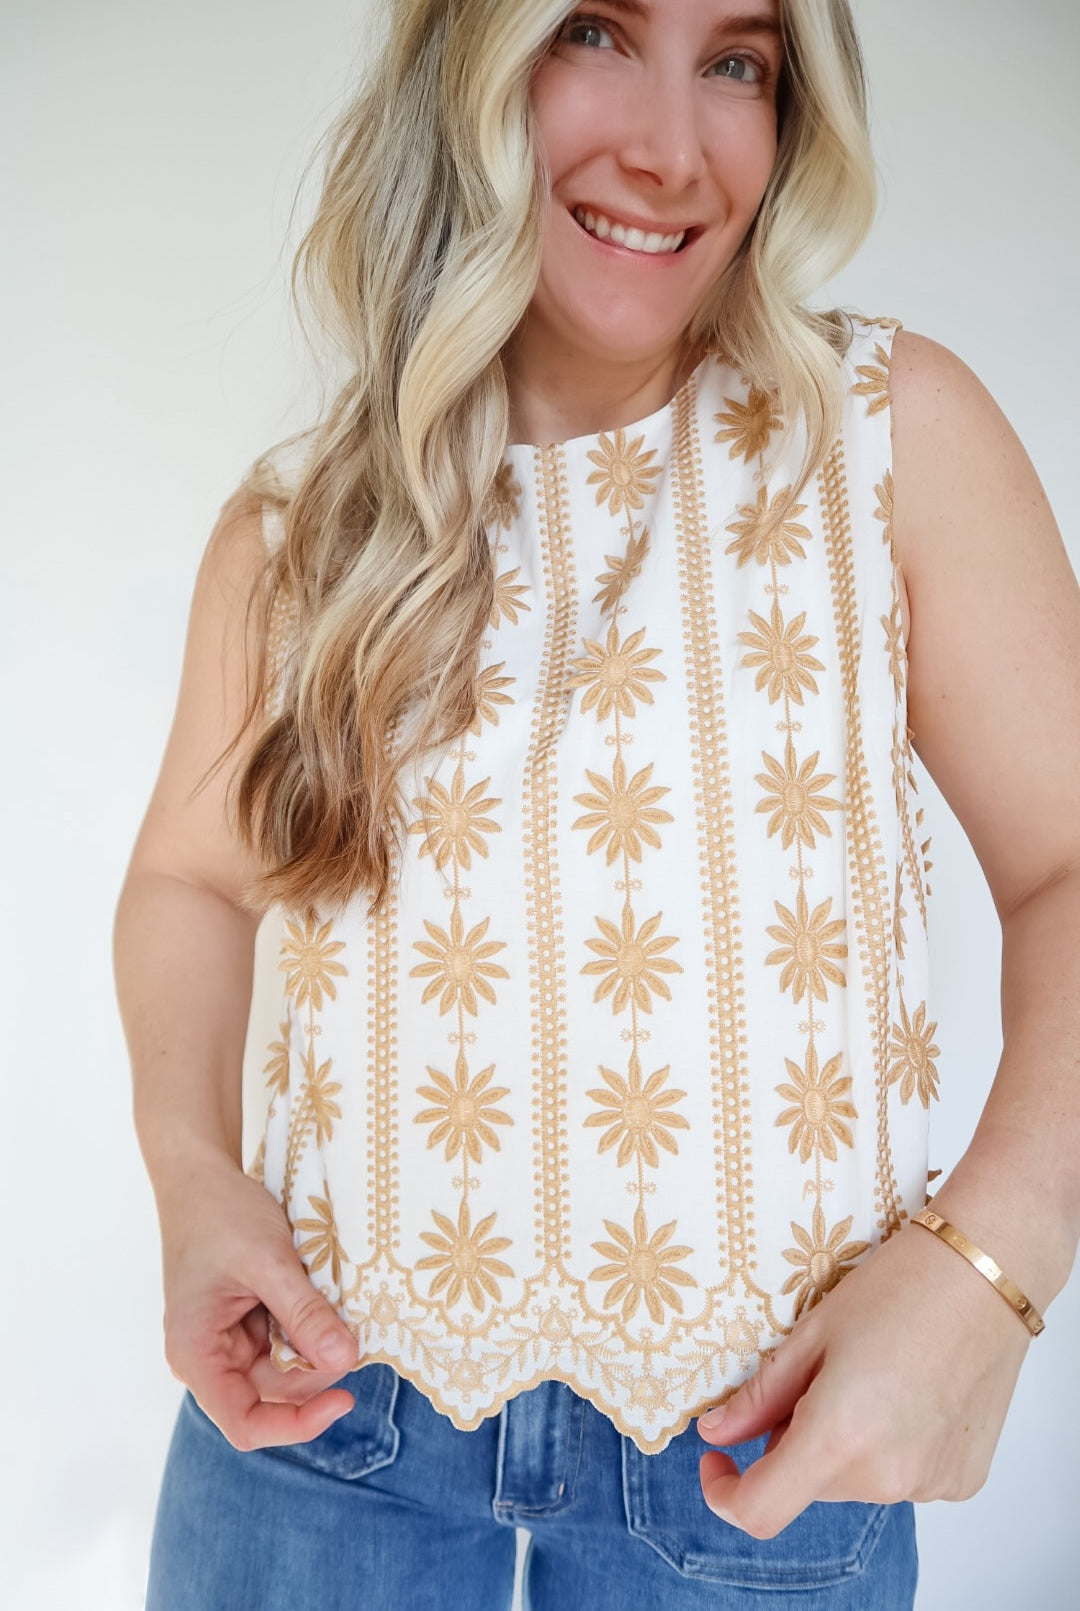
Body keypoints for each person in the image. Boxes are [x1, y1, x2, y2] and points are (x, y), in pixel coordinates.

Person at [114, 1, 1080, 1606]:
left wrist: (997, 1269)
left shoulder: (884, 438)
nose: (670, 149)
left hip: (758, 1455)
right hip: (319, 1426)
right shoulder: (304, 528)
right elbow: (188, 884)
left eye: (737, 62)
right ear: (471, 59)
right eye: (594, 32)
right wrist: (190, 1171)